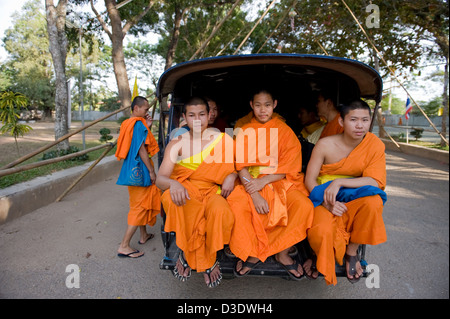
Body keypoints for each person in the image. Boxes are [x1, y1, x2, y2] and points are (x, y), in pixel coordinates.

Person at [227, 88, 314, 280]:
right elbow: (240, 167)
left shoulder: (285, 131)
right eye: (257, 105)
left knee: (303, 206)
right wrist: (255, 192)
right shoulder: (244, 131)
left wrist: (264, 181)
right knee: (236, 206)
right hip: (249, 182)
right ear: (251, 106)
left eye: (267, 105)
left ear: (274, 104)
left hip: (278, 181)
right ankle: (252, 250)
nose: (262, 110)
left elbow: (290, 166)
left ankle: (281, 252)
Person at [155, 97, 237, 288]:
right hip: (186, 189)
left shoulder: (223, 140)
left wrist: (232, 176)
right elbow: (161, 178)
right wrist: (173, 185)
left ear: (210, 115)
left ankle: (186, 255)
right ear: (184, 117)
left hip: (213, 191)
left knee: (221, 212)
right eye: (192, 115)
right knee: (175, 200)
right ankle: (208, 262)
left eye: (202, 114)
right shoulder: (177, 143)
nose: (197, 119)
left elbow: (235, 168)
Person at [304, 99, 387, 285]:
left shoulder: (374, 145)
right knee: (321, 230)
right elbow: (309, 180)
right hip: (324, 196)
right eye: (353, 120)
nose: (360, 125)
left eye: (365, 120)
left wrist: (340, 182)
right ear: (341, 122)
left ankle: (352, 252)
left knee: (373, 202)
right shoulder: (325, 145)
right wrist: (326, 203)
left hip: (353, 195)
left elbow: (376, 181)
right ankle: (317, 254)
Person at [115, 96, 160, 259]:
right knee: (139, 207)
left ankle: (144, 235)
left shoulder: (128, 123)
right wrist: (151, 171)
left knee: (138, 202)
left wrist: (147, 126)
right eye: (145, 109)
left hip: (131, 170)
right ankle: (124, 245)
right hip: (141, 169)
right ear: (136, 108)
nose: (147, 112)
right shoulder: (138, 124)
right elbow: (141, 149)